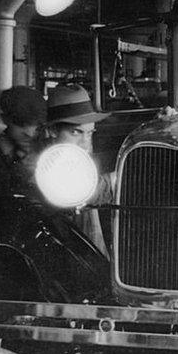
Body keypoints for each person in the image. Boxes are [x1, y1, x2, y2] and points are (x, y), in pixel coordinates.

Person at [40, 84, 114, 253]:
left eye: (89, 133)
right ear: (52, 130)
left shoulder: (75, 158)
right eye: (76, 132)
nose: (86, 144)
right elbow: (88, 191)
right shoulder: (42, 165)